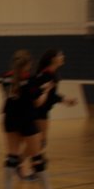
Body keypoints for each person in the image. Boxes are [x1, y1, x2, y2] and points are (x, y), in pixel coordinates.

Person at [0, 50, 62, 189]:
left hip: (9, 118)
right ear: (28, 64)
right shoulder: (30, 79)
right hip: (26, 118)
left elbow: (10, 96)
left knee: (12, 156)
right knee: (37, 157)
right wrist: (45, 90)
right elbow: (38, 102)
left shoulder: (4, 77)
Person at [30, 49, 77, 178]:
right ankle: (25, 165)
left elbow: (51, 95)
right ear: (53, 59)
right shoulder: (46, 75)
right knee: (38, 141)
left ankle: (32, 165)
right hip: (38, 110)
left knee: (40, 141)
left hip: (42, 110)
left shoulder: (51, 74)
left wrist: (65, 100)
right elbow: (44, 95)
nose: (63, 57)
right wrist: (64, 100)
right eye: (60, 55)